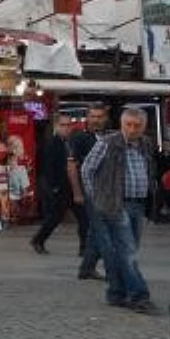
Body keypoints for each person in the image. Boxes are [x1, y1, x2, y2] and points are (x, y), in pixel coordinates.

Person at [81, 107, 159, 314]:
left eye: (137, 126)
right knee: (128, 251)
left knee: (124, 252)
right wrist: (96, 197)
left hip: (138, 203)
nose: (132, 129)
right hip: (115, 204)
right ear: (122, 124)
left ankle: (116, 293)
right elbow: (87, 169)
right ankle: (139, 296)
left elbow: (149, 170)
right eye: (129, 125)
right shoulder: (108, 143)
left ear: (144, 126)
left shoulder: (146, 144)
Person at [30, 115, 87, 258]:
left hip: (73, 186)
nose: (66, 128)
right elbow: (48, 167)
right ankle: (38, 240)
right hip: (60, 188)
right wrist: (54, 186)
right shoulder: (52, 144)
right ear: (57, 127)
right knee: (54, 218)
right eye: (63, 125)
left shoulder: (73, 142)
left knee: (83, 218)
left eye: (69, 125)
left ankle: (84, 248)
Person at [68, 104, 110, 279]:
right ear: (87, 118)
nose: (96, 120)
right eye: (93, 116)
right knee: (103, 231)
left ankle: (87, 268)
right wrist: (77, 192)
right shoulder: (80, 138)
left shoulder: (109, 137)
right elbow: (71, 166)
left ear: (105, 118)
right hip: (89, 191)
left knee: (95, 231)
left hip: (107, 191)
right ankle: (114, 268)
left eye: (100, 116)